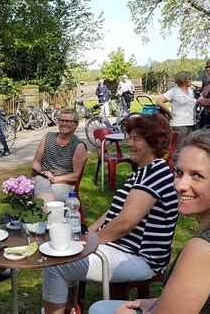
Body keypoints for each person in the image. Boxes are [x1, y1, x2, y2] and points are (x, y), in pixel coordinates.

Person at [89, 128, 210, 314]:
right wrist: (158, 302)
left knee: (99, 309)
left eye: (197, 175)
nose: (179, 185)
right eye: (178, 173)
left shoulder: (203, 250)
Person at [42, 114, 178, 314]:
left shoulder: (156, 173)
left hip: (141, 258)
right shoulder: (143, 170)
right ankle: (68, 309)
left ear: (154, 143)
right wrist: (89, 231)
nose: (129, 143)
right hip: (122, 249)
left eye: (136, 139)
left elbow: (125, 222)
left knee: (56, 266)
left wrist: (91, 242)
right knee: (65, 254)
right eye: (129, 137)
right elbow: (113, 211)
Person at [32, 108, 87, 203]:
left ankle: (45, 214)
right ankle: (48, 213)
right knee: (40, 184)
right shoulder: (47, 137)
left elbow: (76, 175)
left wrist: (54, 179)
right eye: (61, 120)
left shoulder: (78, 146)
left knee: (46, 192)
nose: (64, 123)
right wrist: (41, 174)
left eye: (68, 121)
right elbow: (37, 161)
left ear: (76, 125)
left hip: (64, 183)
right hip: (43, 176)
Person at [156, 71, 196, 162]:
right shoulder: (174, 91)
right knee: (178, 149)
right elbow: (159, 101)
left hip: (192, 123)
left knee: (190, 148)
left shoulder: (191, 92)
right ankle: (174, 169)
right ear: (183, 79)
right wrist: (169, 113)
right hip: (179, 124)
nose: (191, 80)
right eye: (189, 78)